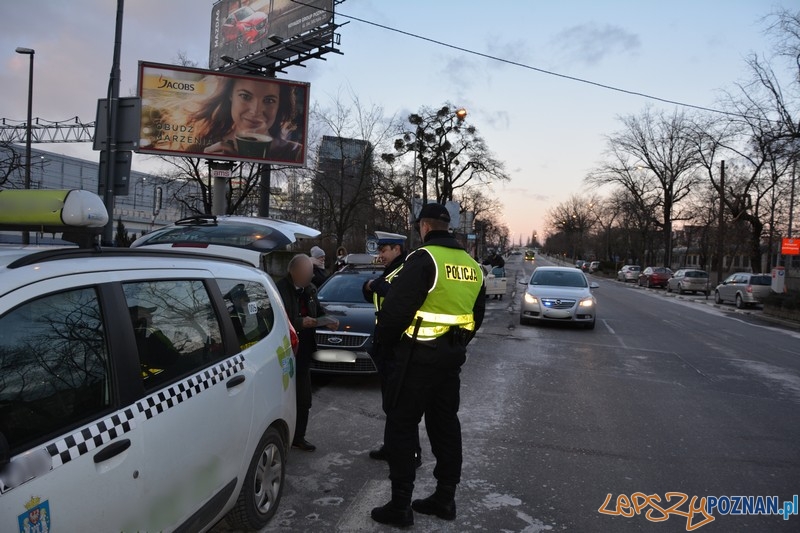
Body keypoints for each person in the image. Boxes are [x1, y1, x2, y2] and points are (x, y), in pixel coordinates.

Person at [370, 203, 486, 527]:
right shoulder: (472, 266)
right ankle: (445, 498)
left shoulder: (424, 259)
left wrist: (385, 345)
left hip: (415, 360)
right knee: (446, 426)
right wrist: (454, 344)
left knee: (401, 426)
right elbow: (476, 318)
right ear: (449, 227)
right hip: (450, 363)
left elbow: (395, 311)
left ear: (423, 227)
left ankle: (400, 505)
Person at [361, 231, 422, 468]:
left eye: (384, 250)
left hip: (397, 345)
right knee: (390, 403)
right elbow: (370, 292)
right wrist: (371, 286)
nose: (380, 255)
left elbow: (386, 290)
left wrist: (373, 285)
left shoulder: (403, 270)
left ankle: (411, 452)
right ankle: (392, 447)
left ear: (397, 249)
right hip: (386, 344)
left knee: (401, 405)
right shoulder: (391, 270)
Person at [276, 254, 338, 452]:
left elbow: (318, 311)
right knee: (282, 399)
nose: (309, 277)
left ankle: (298, 437)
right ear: (292, 271)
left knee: (304, 399)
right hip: (283, 353)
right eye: (305, 273)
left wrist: (328, 319)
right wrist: (300, 323)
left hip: (304, 352)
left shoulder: (310, 289)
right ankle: (281, 437)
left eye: (311, 273)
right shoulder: (279, 290)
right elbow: (278, 320)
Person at [190, 77, 303, 163]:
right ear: (230, 95)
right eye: (245, 96)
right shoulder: (202, 147)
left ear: (280, 104)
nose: (255, 111)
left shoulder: (296, 153)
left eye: (269, 100)